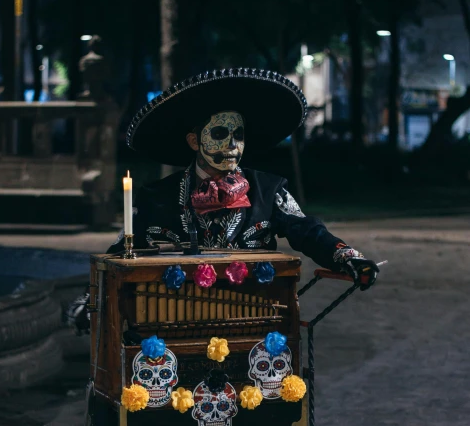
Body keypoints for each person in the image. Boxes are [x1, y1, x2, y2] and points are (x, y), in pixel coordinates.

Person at [69, 68, 377, 332]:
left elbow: (309, 231)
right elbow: (119, 252)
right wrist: (90, 299)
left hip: (252, 325)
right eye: (220, 133)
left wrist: (347, 257)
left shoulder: (270, 189)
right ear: (194, 141)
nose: (232, 145)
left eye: (239, 135)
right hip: (175, 329)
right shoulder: (156, 197)